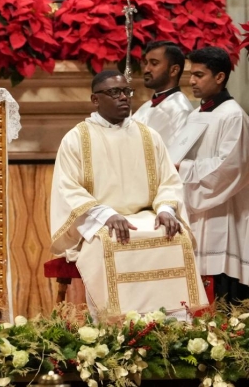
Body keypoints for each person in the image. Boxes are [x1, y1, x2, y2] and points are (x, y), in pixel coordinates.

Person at [50, 70, 207, 320]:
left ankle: (172, 322)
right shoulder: (77, 139)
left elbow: (168, 180)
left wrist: (166, 209)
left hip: (146, 215)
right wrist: (105, 214)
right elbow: (68, 188)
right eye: (114, 92)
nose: (124, 97)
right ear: (95, 99)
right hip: (98, 220)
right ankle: (116, 329)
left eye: (126, 91)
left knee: (175, 234)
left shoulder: (148, 136)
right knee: (109, 239)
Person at [177, 46, 249, 303]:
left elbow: (230, 168)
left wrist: (182, 169)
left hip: (223, 214)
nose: (191, 81)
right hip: (196, 212)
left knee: (222, 294)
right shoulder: (196, 114)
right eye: (191, 74)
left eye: (199, 75)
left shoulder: (233, 116)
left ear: (220, 77)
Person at [133, 41, 193, 146]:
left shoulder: (181, 110)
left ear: (174, 70)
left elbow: (174, 156)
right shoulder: (147, 106)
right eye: (146, 63)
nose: (146, 69)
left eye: (154, 63)